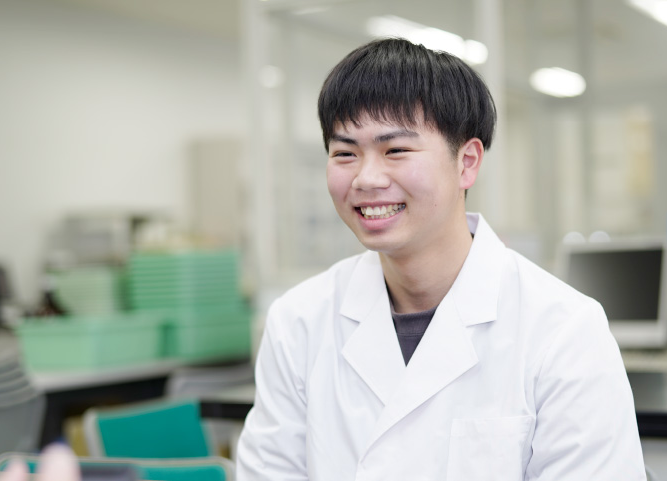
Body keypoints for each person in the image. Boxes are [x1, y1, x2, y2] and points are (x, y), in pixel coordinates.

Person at [236, 37, 646, 480]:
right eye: (345, 154)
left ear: (466, 162)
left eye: (395, 150)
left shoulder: (564, 330)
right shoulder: (299, 323)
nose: (366, 178)